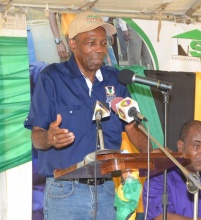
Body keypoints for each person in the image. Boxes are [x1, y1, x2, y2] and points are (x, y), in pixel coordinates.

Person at [24, 11, 151, 220]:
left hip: (108, 190)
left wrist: (150, 151)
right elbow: (37, 135)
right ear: (73, 44)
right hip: (66, 192)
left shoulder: (116, 80)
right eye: (92, 43)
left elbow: (131, 126)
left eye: (103, 43)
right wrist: (49, 138)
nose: (100, 50)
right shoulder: (52, 78)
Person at [49, 12, 117, 66]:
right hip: (75, 34)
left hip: (95, 30)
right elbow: (51, 12)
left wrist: (104, 30)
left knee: (110, 63)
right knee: (82, 66)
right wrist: (58, 41)